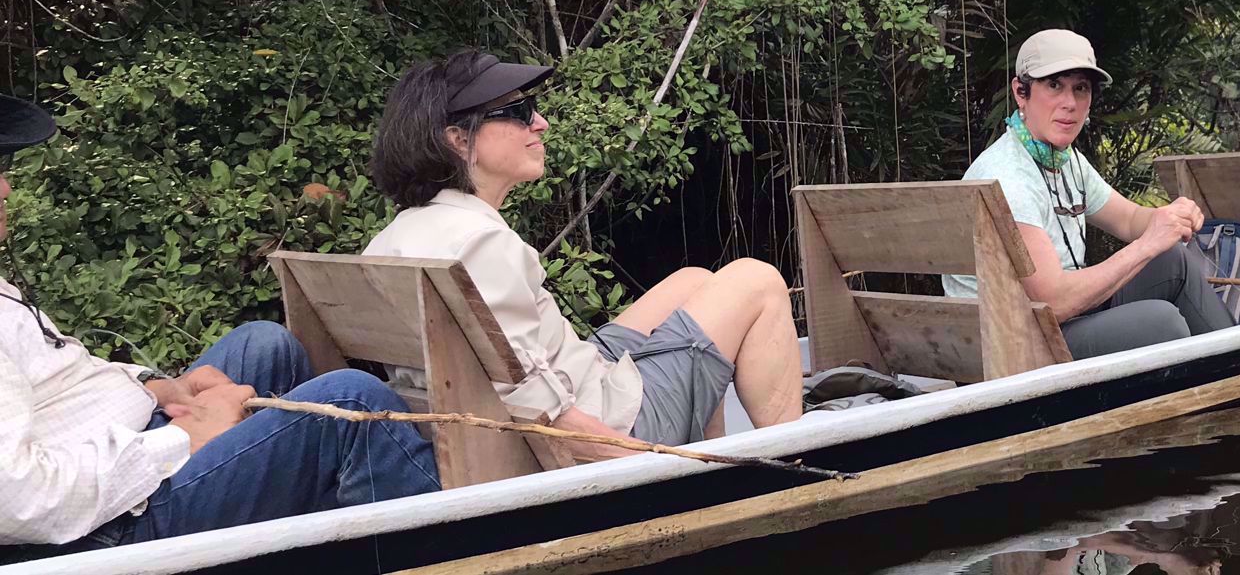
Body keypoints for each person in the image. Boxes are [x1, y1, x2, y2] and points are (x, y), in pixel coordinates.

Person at [0, 95, 437, 556]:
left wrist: (153, 386)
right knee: (352, 401)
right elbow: (18, 500)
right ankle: (451, 553)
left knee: (263, 346)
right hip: (104, 527)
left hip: (113, 447)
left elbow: (58, 374)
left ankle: (308, 534)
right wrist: (183, 439)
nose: (6, 188)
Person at [364, 51, 802, 455]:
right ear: (459, 140)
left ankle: (716, 459)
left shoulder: (391, 240)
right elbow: (537, 411)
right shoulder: (480, 243)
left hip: (571, 382)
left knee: (694, 281)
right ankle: (790, 465)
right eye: (519, 112)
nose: (541, 123)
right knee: (756, 280)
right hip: (608, 426)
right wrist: (649, 462)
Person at [942, 30, 1235, 359]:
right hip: (1012, 349)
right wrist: (1147, 245)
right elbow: (1054, 302)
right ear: (1021, 93)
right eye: (1055, 85)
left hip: (1052, 325)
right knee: (1160, 323)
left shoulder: (1063, 159)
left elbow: (1128, 219)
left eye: (1080, 88)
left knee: (1172, 260)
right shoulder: (1008, 178)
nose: (1070, 103)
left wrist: (1168, 218)